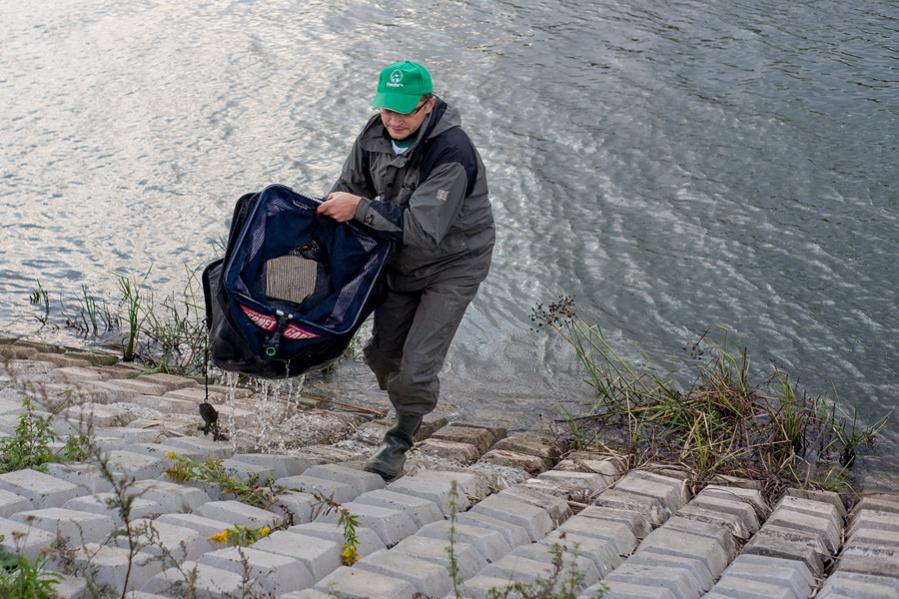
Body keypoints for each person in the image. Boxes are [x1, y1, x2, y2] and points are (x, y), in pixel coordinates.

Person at [316, 60, 495, 480]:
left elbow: (423, 230)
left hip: (453, 263)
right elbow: (349, 187)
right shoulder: (374, 133)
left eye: (404, 111)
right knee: (382, 357)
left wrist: (359, 209)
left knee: (414, 371)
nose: (394, 120)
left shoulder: (452, 152)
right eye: (386, 109)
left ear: (428, 104)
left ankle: (399, 439)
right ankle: (412, 398)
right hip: (398, 260)